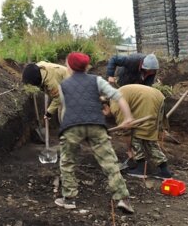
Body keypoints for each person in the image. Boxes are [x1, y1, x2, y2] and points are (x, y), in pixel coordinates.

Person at [57, 51, 137, 213]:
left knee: (67, 162)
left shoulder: (63, 85)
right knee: (109, 162)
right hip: (96, 124)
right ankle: (123, 199)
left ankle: (69, 199)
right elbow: (118, 96)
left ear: (69, 66)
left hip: (72, 125)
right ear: (87, 67)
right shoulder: (97, 80)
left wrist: (65, 128)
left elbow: (65, 108)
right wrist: (128, 117)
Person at [103, 84, 172, 178]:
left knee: (138, 134)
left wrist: (129, 150)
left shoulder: (115, 106)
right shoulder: (114, 97)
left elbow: (126, 131)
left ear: (105, 106)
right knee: (148, 135)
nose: (105, 116)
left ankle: (141, 168)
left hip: (148, 99)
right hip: (155, 95)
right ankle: (164, 170)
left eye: (103, 113)